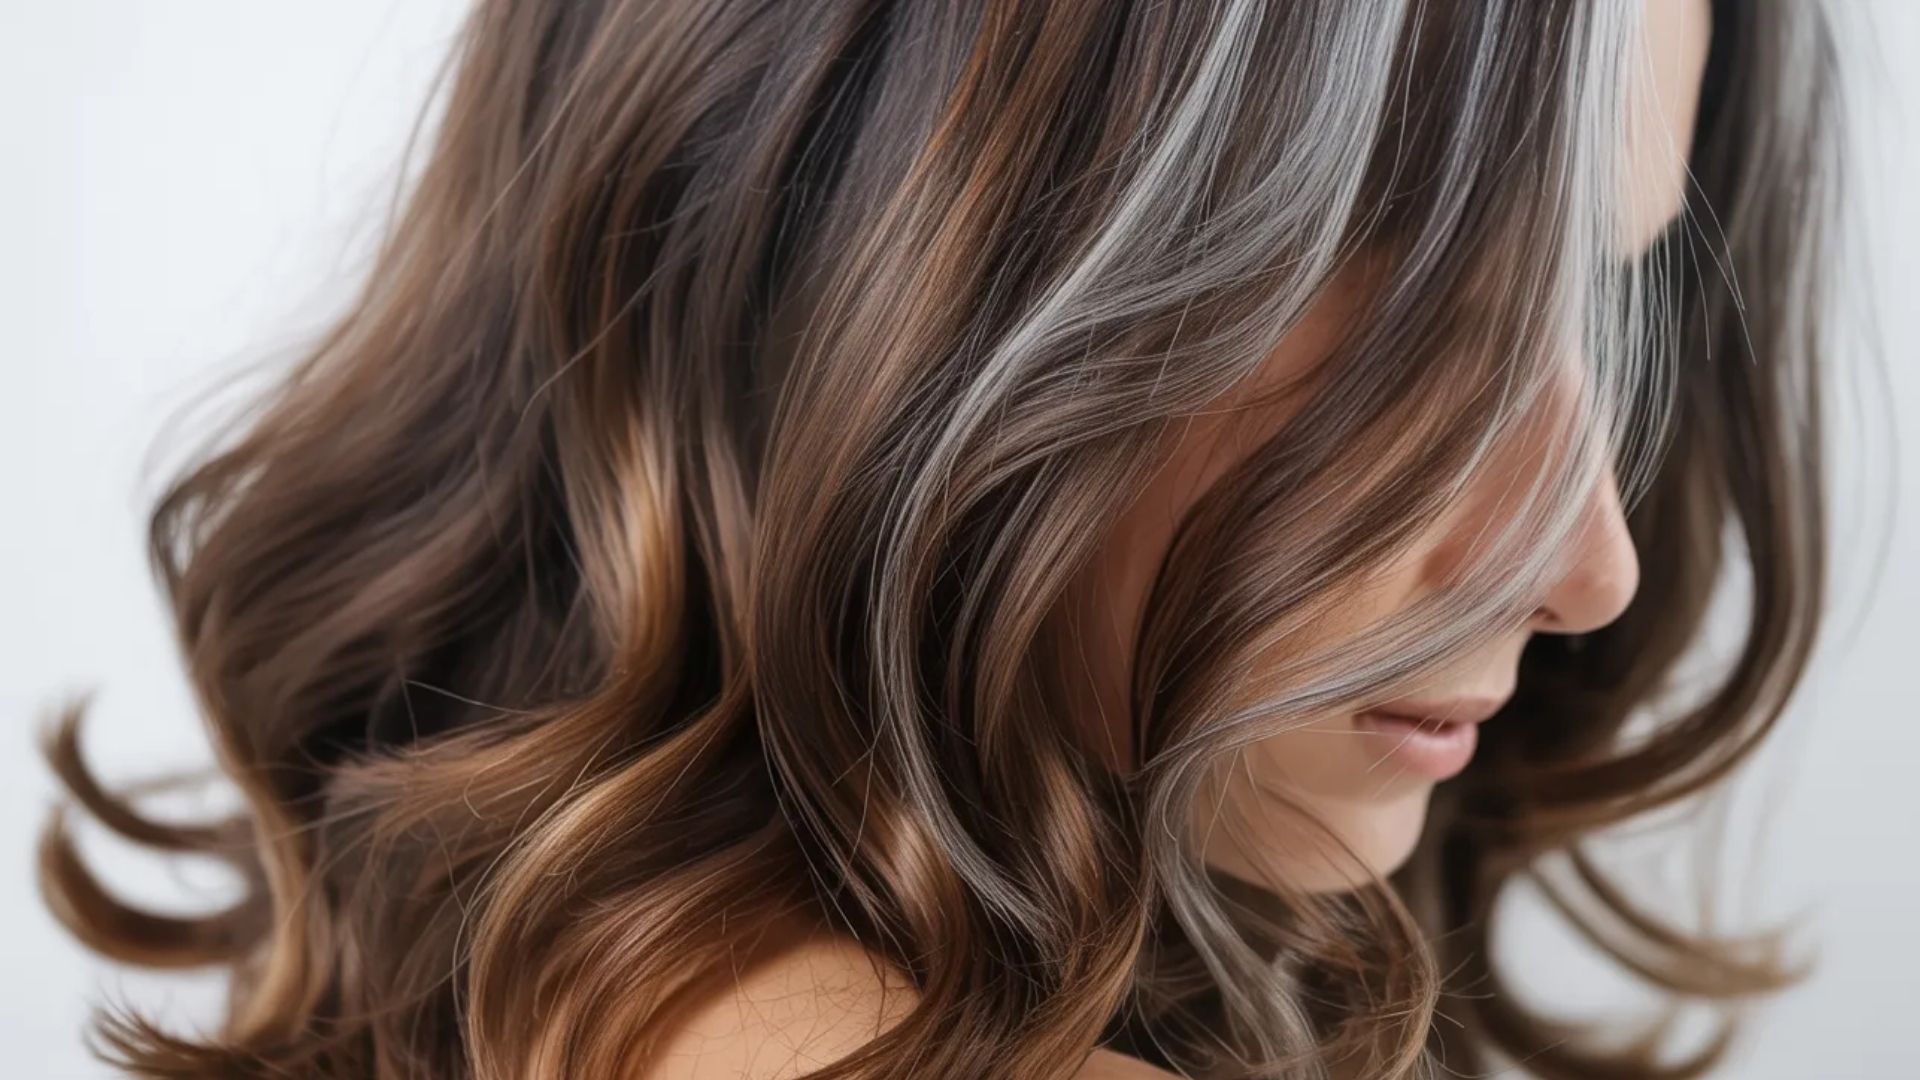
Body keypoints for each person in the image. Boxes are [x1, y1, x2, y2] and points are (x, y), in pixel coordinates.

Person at [39, 0, 1841, 1076]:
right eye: (1409, 298)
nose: (1587, 561)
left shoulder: (499, 980)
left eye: (1592, 314)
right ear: (869, 233)